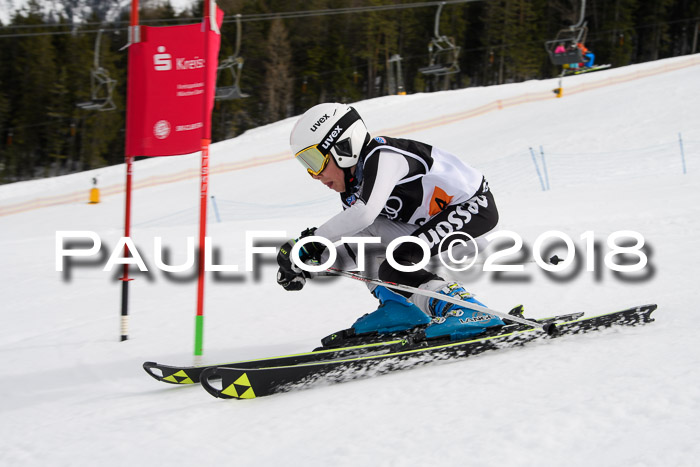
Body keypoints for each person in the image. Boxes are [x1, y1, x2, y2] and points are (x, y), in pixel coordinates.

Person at [275, 103, 505, 341]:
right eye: (307, 165)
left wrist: (310, 241)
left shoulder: (384, 156)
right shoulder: (353, 190)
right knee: (369, 241)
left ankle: (466, 310)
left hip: (475, 213)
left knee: (397, 263)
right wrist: (310, 263)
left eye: (315, 160)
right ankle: (400, 309)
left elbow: (365, 213)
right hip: (432, 226)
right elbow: (359, 247)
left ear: (344, 146)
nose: (315, 174)